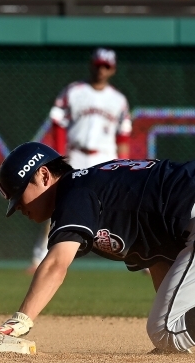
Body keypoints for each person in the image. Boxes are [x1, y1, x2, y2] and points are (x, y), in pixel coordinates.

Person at [0, 142, 195, 355]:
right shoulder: (96, 184)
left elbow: (56, 263)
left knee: (165, 331)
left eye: (19, 195)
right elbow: (163, 263)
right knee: (175, 312)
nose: (19, 208)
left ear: (42, 174)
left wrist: (21, 319)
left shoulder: (73, 193)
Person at [28, 48, 131, 273]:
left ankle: (140, 257)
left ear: (112, 69)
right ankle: (39, 258)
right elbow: (58, 123)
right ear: (91, 65)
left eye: (106, 66)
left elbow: (123, 135)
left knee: (121, 207)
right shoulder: (74, 91)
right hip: (75, 154)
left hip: (106, 156)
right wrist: (59, 156)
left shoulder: (118, 100)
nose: (101, 70)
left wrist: (124, 164)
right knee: (56, 203)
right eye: (98, 65)